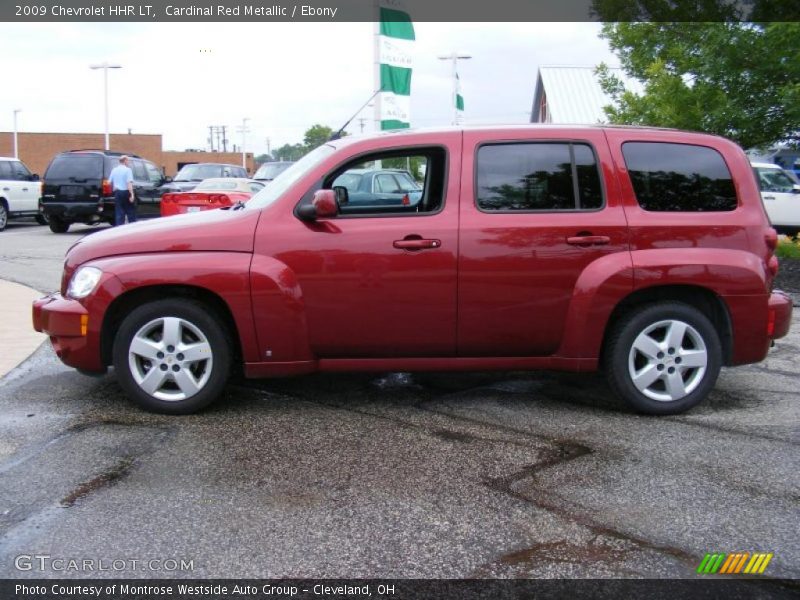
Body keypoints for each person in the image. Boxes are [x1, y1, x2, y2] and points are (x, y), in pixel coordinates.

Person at [109, 155, 136, 225]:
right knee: (130, 211)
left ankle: (119, 227)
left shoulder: (114, 170)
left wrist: (114, 187)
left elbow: (109, 182)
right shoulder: (128, 170)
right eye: (128, 160)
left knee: (119, 212)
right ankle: (132, 227)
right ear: (125, 161)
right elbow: (129, 183)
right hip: (126, 192)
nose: (128, 162)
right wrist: (132, 194)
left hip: (117, 192)